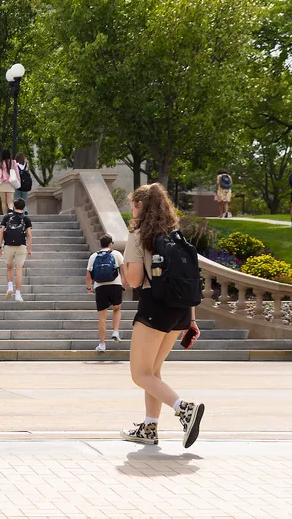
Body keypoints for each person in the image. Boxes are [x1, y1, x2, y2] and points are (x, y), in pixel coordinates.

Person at [121, 183, 205, 448]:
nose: (131, 211)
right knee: (153, 372)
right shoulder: (175, 235)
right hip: (180, 311)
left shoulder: (139, 235)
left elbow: (134, 280)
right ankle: (149, 427)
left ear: (140, 206)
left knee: (139, 374)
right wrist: (191, 319)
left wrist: (124, 266)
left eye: (133, 206)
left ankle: (184, 409)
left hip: (154, 306)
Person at [86, 233, 125, 352]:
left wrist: (89, 288)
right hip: (115, 284)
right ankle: (115, 331)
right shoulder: (116, 254)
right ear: (110, 244)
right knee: (117, 308)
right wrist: (124, 285)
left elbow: (88, 275)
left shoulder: (93, 256)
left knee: (102, 317)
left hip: (100, 286)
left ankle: (102, 344)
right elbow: (124, 271)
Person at [0, 197, 32, 301]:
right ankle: (18, 294)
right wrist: (29, 249)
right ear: (24, 207)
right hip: (21, 246)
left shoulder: (7, 217)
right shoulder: (26, 219)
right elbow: (29, 235)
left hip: (8, 245)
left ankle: (10, 287)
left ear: (14, 207)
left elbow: (1, 232)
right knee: (19, 269)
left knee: (9, 267)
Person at [0, 148, 19, 214]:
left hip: (2, 184)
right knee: (10, 202)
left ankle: (5, 216)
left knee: (3, 202)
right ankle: (10, 212)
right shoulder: (13, 162)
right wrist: (18, 181)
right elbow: (17, 172)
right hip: (10, 184)